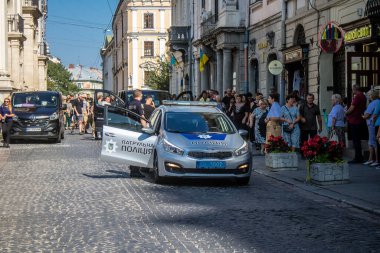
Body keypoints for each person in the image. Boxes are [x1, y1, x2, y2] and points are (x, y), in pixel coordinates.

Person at [128, 89, 147, 178]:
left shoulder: (130, 104)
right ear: (140, 95)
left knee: (132, 149)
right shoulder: (139, 104)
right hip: (138, 129)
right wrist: (146, 128)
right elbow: (142, 117)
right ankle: (136, 170)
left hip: (131, 128)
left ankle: (133, 169)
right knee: (138, 149)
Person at [345, 85, 366, 163]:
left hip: (354, 120)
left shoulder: (357, 96)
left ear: (355, 89)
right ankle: (359, 156)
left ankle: (358, 157)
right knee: (357, 139)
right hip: (359, 119)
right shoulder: (363, 96)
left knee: (356, 140)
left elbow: (352, 107)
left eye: (352, 89)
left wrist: (346, 113)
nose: (352, 91)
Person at [362, 90, 379, 166]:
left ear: (372, 95)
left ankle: (375, 160)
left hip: (372, 124)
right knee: (372, 142)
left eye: (369, 95)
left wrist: (362, 116)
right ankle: (371, 159)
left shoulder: (373, 103)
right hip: (373, 124)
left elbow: (367, 115)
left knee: (373, 142)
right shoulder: (377, 102)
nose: (368, 96)